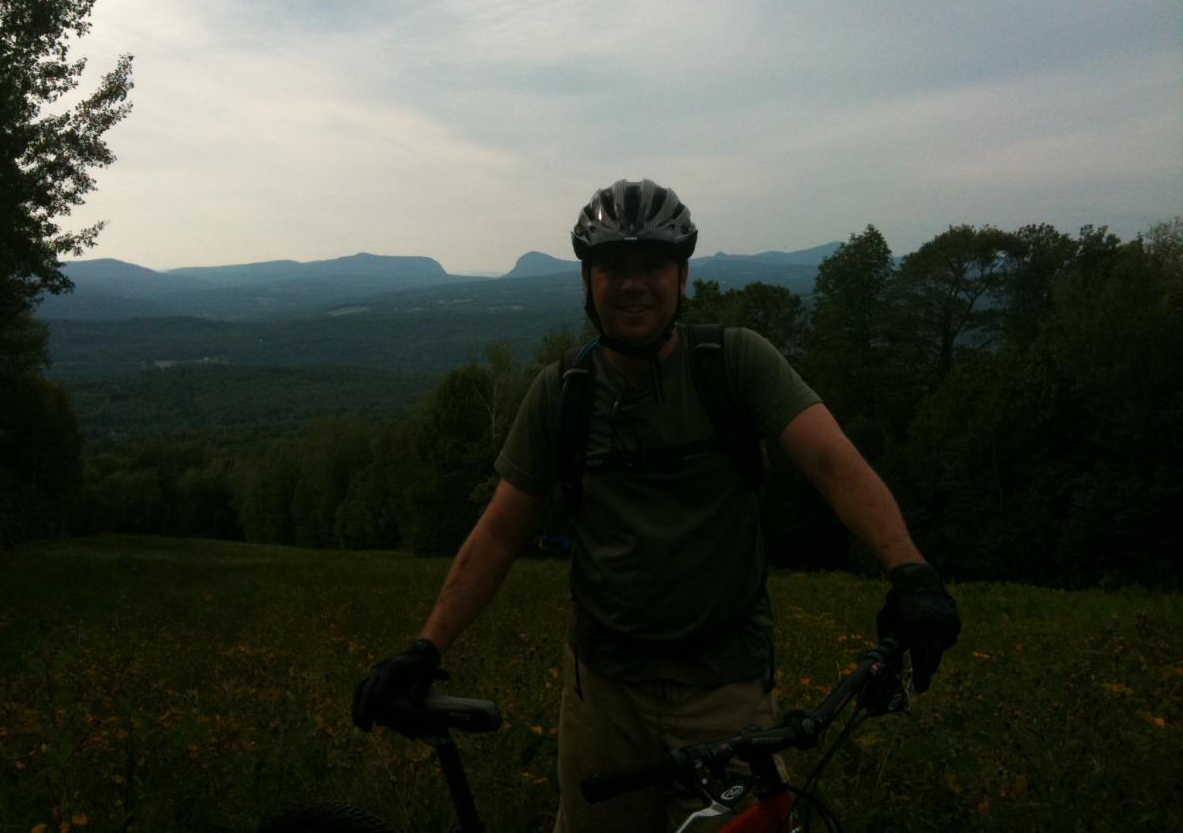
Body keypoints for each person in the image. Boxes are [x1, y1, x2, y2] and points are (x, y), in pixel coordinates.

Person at [352, 179, 961, 831]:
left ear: (683, 277)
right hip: (603, 695)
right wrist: (426, 648)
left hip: (726, 689)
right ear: (587, 281)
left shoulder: (734, 363)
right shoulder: (562, 393)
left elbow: (831, 462)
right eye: (614, 267)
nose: (633, 284)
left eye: (653, 265)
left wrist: (910, 571)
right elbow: (500, 534)